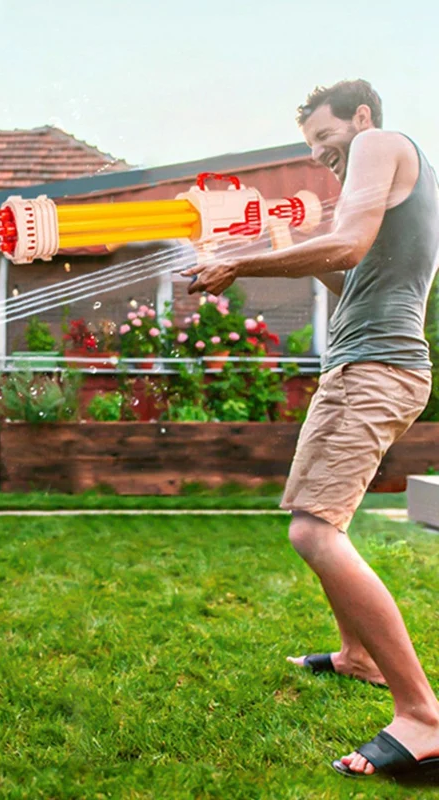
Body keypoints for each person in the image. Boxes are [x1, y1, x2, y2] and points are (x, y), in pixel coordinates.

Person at [183, 79, 439, 783]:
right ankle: (358, 657)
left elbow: (349, 244)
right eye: (314, 150)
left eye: (327, 142)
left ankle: (423, 715)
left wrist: (239, 260)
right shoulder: (385, 173)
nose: (325, 158)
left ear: (361, 118)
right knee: (319, 519)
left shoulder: (382, 143)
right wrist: (281, 244)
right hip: (361, 364)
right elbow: (350, 273)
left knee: (314, 532)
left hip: (376, 369)